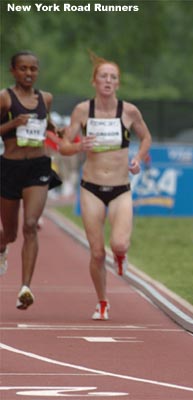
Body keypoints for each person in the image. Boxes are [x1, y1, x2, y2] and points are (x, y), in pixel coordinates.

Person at [59, 52, 152, 321]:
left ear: (118, 84)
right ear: (94, 81)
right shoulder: (82, 110)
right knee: (97, 253)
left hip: (121, 186)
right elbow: (64, 146)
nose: (108, 81)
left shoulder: (129, 111)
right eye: (103, 76)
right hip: (91, 188)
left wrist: (137, 157)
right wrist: (79, 145)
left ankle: (121, 256)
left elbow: (146, 138)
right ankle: (102, 302)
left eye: (113, 77)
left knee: (119, 244)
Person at [0, 51, 61, 310]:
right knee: (11, 233)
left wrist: (57, 131)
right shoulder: (4, 98)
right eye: (23, 69)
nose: (28, 73)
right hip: (10, 167)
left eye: (33, 69)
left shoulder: (45, 99)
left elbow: (47, 126)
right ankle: (2, 246)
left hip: (37, 167)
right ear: (13, 71)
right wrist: (13, 124)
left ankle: (25, 288)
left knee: (31, 224)